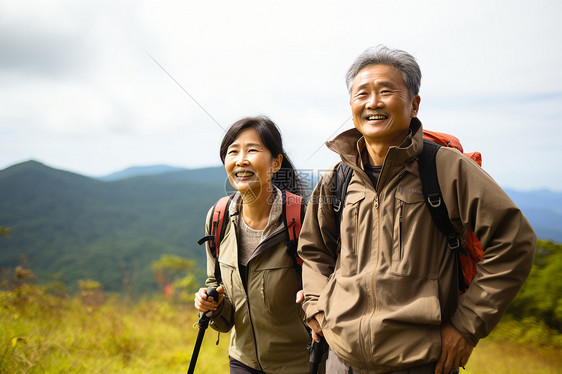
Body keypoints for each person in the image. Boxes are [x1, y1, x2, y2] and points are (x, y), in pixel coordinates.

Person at [297, 46, 536, 374]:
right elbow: (313, 251)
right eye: (361, 93)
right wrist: (317, 306)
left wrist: (467, 326)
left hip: (422, 362)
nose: (373, 102)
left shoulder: (446, 169)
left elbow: (514, 240)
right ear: (351, 106)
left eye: (386, 91)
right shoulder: (338, 178)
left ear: (414, 103)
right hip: (342, 361)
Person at [194, 116, 311, 374]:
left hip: (301, 365)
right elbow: (222, 309)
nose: (241, 159)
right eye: (232, 151)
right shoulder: (218, 218)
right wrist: (211, 304)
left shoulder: (302, 218)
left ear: (276, 162)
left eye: (252, 150)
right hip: (243, 361)